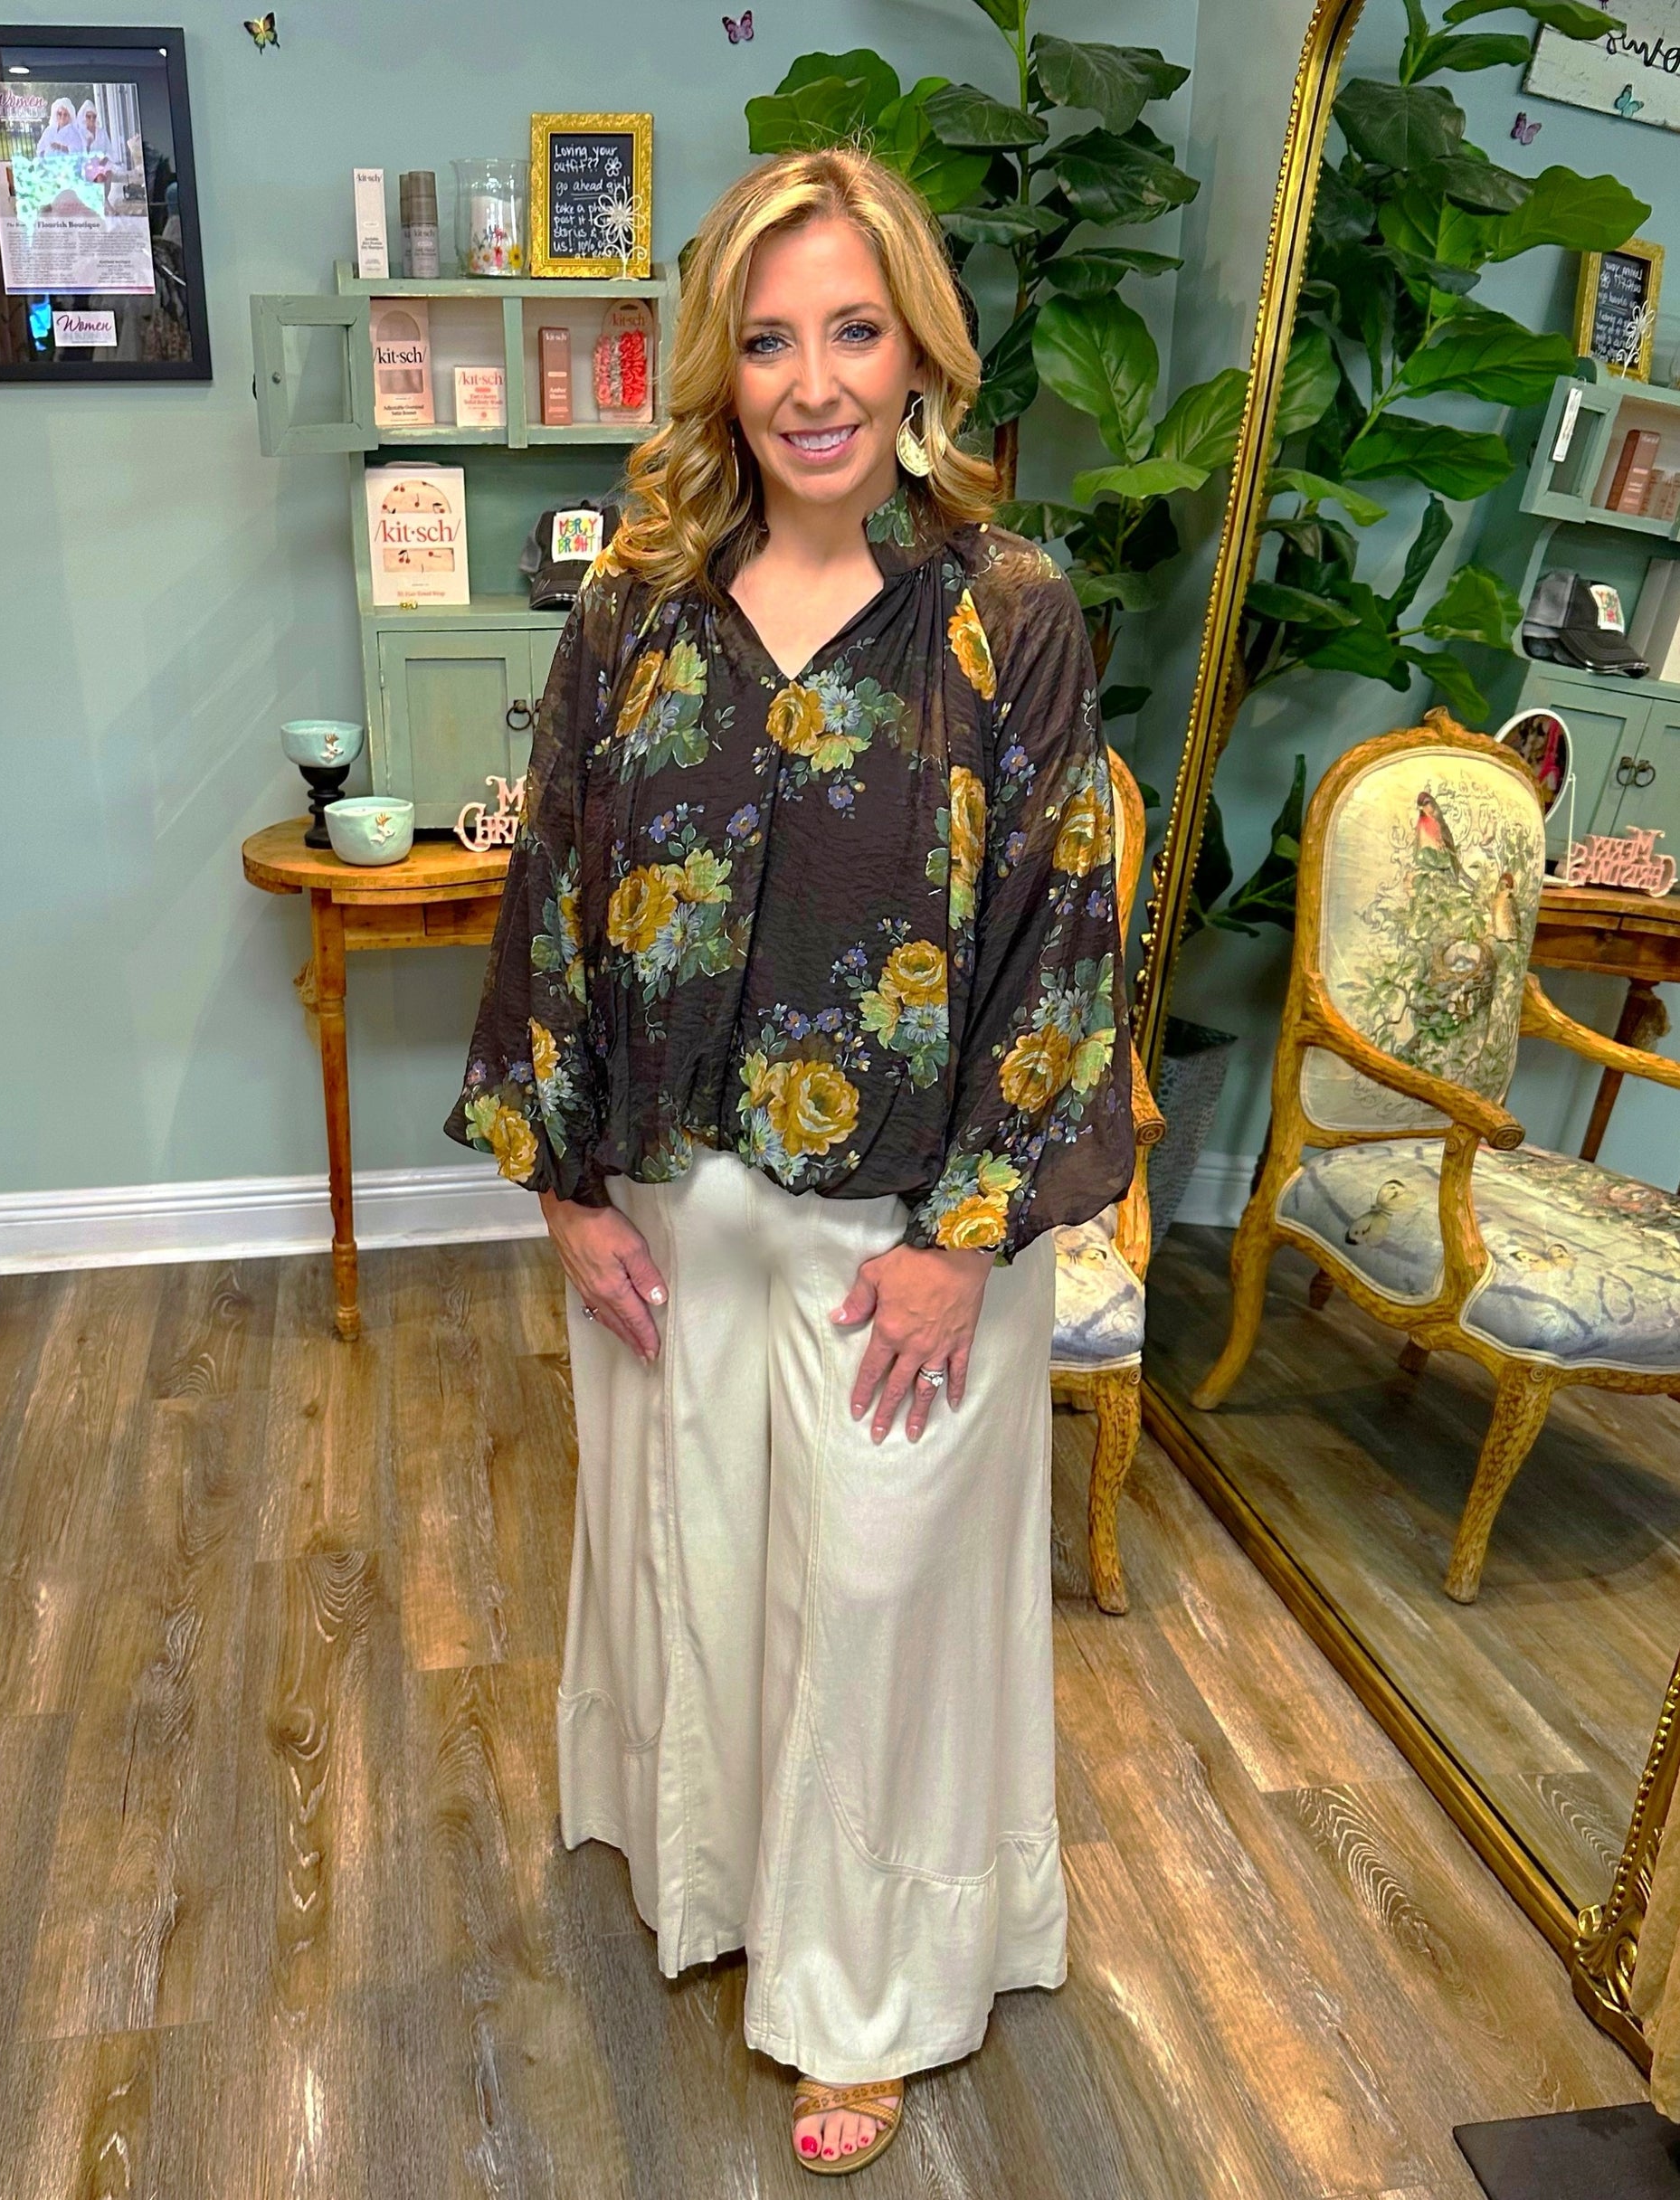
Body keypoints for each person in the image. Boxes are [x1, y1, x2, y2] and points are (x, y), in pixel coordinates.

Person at [448, 146, 1134, 2176]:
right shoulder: (635, 605)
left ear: (918, 349)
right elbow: (555, 886)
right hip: (675, 1204)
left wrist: (968, 1238)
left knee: (872, 1599)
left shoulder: (1006, 612)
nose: (813, 383)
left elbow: (1062, 932)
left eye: (853, 330)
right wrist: (567, 1191)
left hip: (910, 1232)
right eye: (767, 340)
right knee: (700, 1568)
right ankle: (725, 1889)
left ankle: (866, 1988)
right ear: (717, 365)